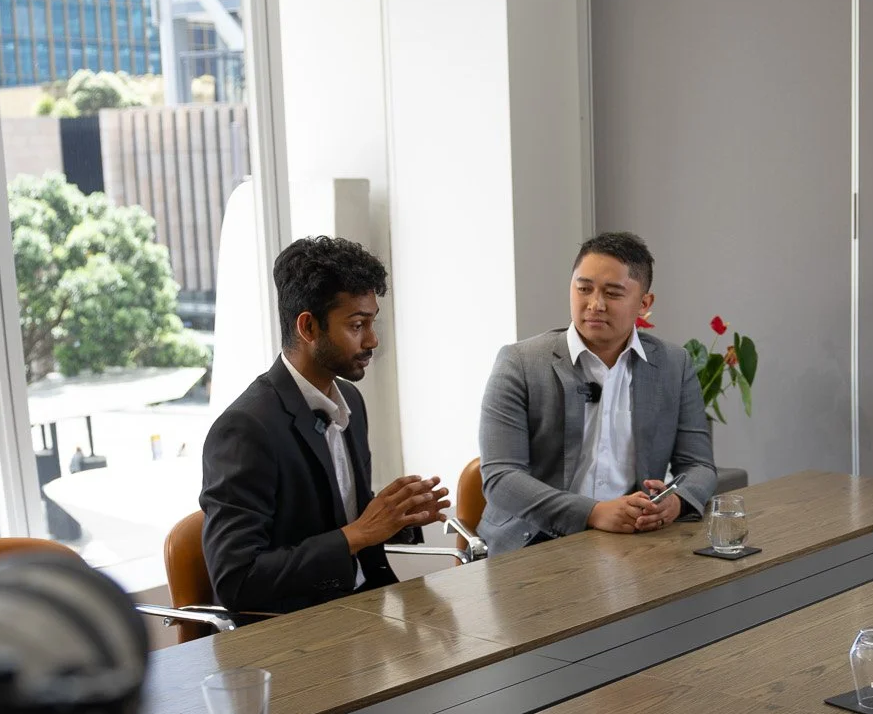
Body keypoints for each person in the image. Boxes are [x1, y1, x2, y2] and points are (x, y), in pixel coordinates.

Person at [201, 236, 449, 618]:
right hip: (295, 634)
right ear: (308, 327)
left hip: (364, 610)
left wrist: (398, 517)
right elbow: (238, 580)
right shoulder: (244, 429)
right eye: (357, 325)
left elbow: (342, 516)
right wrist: (358, 534)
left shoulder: (350, 399)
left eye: (372, 321)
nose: (372, 339)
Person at [477, 231, 717, 555]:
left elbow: (699, 466)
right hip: (535, 543)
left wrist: (674, 502)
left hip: (633, 543)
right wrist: (593, 512)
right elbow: (500, 478)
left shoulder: (674, 365)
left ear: (645, 304)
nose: (595, 305)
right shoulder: (520, 363)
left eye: (613, 293)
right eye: (584, 288)